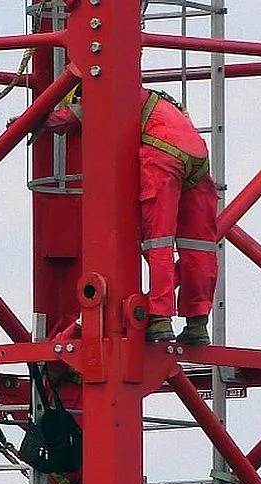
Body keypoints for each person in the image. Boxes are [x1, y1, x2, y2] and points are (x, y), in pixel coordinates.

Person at [30, 82, 220, 345]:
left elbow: (73, 117)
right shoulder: (157, 100)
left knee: (158, 241)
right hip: (197, 157)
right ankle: (198, 323)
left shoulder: (111, 89)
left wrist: (30, 121)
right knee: (198, 246)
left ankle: (160, 317)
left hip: (162, 152)